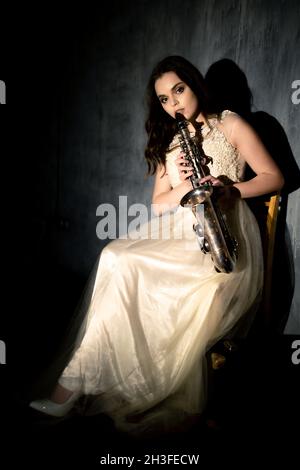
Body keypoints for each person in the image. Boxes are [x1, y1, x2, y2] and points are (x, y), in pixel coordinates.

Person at [29, 55, 284, 437]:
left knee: (129, 267)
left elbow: (273, 177)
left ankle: (77, 386)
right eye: (164, 99)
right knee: (114, 256)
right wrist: (183, 183)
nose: (174, 103)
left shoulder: (230, 123)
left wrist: (229, 189)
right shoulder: (172, 139)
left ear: (194, 84)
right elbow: (159, 203)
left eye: (178, 90)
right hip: (181, 232)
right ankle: (78, 379)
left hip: (222, 234)